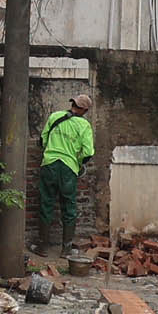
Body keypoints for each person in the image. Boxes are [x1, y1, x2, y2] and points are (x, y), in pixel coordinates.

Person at [38, 93, 96, 256]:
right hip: (68, 169)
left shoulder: (55, 116)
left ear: (73, 104)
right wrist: (78, 163)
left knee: (46, 204)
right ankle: (66, 248)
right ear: (85, 110)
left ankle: (43, 247)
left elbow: (42, 140)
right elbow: (88, 152)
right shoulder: (84, 125)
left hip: (49, 165)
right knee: (69, 207)